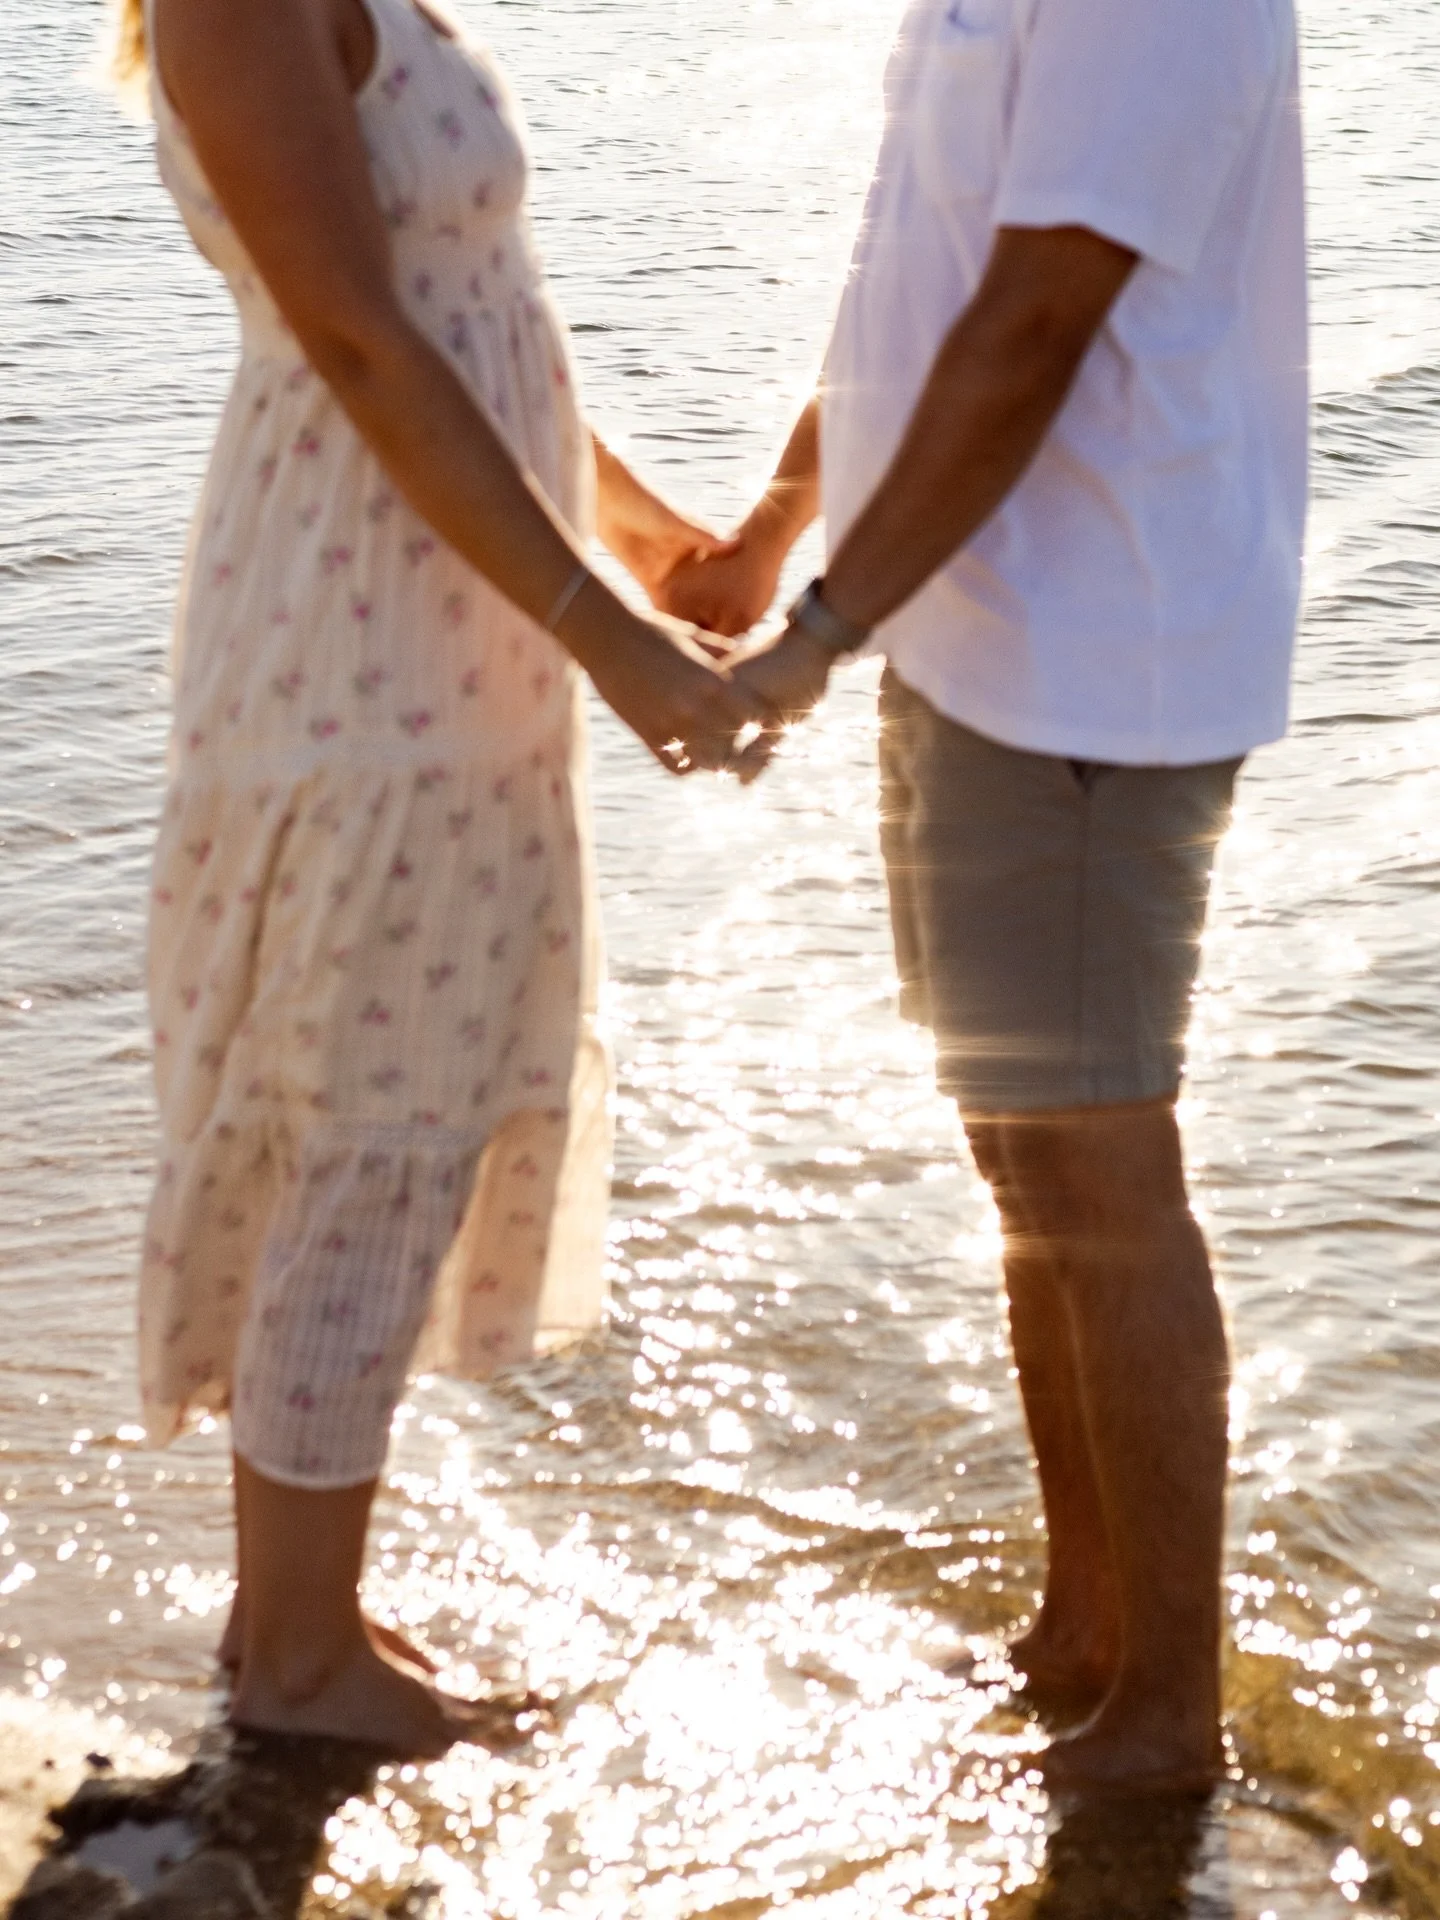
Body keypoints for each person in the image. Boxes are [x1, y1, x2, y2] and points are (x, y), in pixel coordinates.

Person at [664, 0, 1307, 1794]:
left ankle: (1165, 1716)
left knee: (1103, 1174)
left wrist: (817, 631)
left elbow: (1034, 318)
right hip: (960, 636)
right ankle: (1080, 1633)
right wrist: (782, 528)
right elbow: (915, 281)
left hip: (1095, 648)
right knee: (1027, 1165)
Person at [118, 0, 770, 1757]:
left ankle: (291, 1613)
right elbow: (357, 335)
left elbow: (477, 306)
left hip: (448, 622)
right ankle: (304, 1668)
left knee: (388, 1097)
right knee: (365, 1115)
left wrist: (641, 541)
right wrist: (611, 643)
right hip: (365, 632)